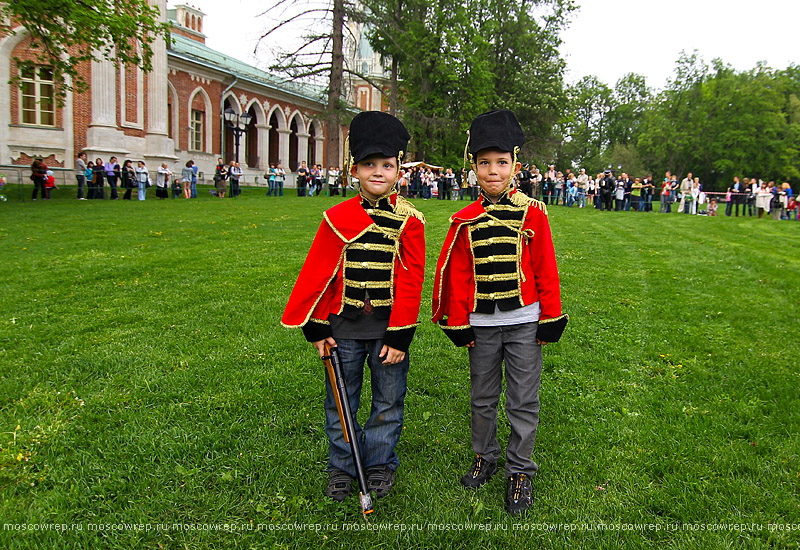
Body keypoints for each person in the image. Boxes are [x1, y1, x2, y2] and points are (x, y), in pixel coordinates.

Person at [281, 111, 425, 503]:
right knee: (340, 403)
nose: (378, 172)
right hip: (341, 330)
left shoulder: (410, 221)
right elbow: (320, 273)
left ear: (399, 171)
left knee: (387, 402)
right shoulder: (337, 217)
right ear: (354, 169)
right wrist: (318, 326)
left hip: (386, 332)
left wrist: (400, 334)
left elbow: (411, 281)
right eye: (369, 165)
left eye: (387, 165)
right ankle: (343, 466)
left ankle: (378, 463)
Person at [432, 110, 567, 516]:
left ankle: (520, 470)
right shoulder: (464, 220)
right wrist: (457, 320)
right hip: (482, 324)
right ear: (473, 168)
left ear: (516, 166)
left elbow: (546, 266)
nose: (493, 171)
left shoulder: (533, 212)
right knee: (482, 397)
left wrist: (551, 316)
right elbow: (458, 274)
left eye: (502, 163)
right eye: (484, 163)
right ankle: (484, 455)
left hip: (526, 321)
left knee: (523, 399)